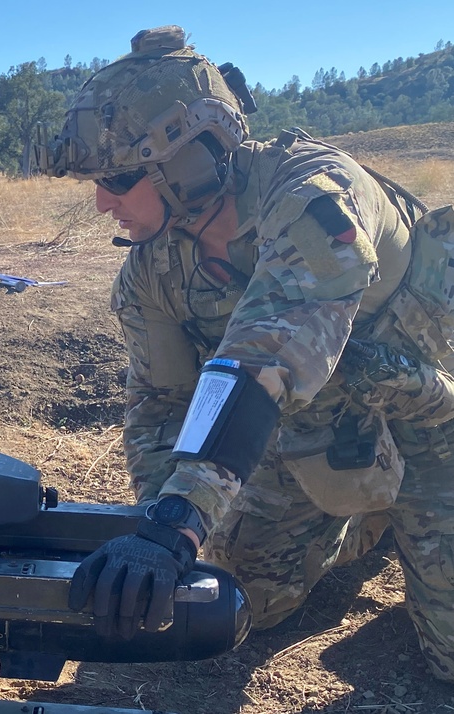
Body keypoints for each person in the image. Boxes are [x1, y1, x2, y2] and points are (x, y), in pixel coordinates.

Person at [34, 25, 454, 681]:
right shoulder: (152, 273)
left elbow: (268, 356)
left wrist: (181, 518)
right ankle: (363, 519)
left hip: (430, 413)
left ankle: (395, 510)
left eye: (117, 178)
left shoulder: (312, 197)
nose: (100, 202)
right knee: (230, 601)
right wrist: (157, 527)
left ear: (189, 161)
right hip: (316, 426)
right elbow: (160, 406)